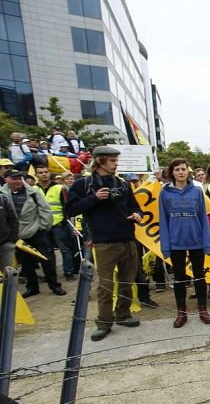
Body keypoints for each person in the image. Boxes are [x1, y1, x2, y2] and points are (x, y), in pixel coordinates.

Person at [65, 146, 142, 341]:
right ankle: (104, 323)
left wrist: (137, 215)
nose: (116, 165)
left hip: (127, 240)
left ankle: (123, 314)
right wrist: (95, 198)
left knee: (127, 282)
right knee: (106, 286)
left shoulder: (123, 184)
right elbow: (71, 209)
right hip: (104, 243)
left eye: (117, 161)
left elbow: (135, 206)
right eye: (112, 161)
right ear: (99, 161)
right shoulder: (84, 184)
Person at [159, 158, 210, 328]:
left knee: (199, 277)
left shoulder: (197, 191)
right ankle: (181, 312)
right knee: (180, 279)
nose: (181, 172)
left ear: (187, 171)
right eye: (177, 170)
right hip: (176, 243)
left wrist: (206, 243)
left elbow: (204, 219)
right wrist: (165, 246)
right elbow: (163, 220)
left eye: (183, 169)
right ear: (172, 172)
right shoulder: (165, 193)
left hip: (196, 241)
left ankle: (203, 310)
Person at [1, 170, 66, 298]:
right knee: (26, 264)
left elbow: (45, 210)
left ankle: (54, 285)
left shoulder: (33, 192)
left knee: (47, 260)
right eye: (14, 179)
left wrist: (43, 227)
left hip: (36, 232)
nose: (18, 181)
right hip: (16, 235)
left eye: (20, 178)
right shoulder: (2, 195)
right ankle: (32, 287)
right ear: (6, 180)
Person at [35, 165, 80, 281]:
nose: (44, 174)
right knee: (47, 252)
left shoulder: (59, 188)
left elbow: (66, 205)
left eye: (46, 172)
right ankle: (50, 275)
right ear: (36, 175)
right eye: (40, 172)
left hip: (59, 224)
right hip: (43, 226)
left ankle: (69, 273)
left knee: (65, 250)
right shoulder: (34, 189)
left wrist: (66, 220)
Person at [0, 186, 17, 269]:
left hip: (5, 243)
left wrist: (12, 240)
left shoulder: (3, 198)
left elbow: (13, 219)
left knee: (8, 274)